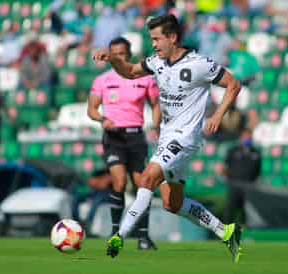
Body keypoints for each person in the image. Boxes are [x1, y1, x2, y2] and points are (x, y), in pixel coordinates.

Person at [93, 14, 242, 262]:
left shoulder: (199, 64)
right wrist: (113, 59)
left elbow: (233, 84)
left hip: (184, 138)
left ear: (172, 38)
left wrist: (216, 115)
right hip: (167, 137)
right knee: (172, 203)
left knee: (148, 178)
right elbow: (130, 72)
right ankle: (225, 231)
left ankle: (119, 236)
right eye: (151, 39)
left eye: (156, 38)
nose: (153, 44)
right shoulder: (157, 62)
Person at [88, 37, 160, 250]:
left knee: (142, 185)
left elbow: (156, 104)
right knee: (118, 183)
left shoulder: (144, 78)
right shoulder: (102, 80)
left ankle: (143, 237)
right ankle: (115, 232)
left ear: (129, 54)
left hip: (136, 136)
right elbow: (91, 109)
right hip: (114, 137)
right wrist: (102, 119)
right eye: (115, 53)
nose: (119, 57)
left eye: (122, 53)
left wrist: (156, 126)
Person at [221, 128, 261, 224]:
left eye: (249, 136)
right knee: (231, 208)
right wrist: (228, 180)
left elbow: (258, 170)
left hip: (249, 186)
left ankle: (246, 231)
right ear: (241, 138)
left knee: (247, 209)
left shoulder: (255, 152)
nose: (247, 138)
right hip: (234, 185)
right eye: (245, 136)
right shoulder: (233, 151)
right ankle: (226, 230)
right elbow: (224, 167)